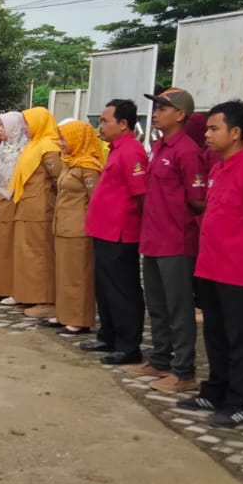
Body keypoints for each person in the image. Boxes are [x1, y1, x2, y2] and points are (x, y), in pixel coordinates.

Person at [177, 99, 243, 429]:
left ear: (235, 133)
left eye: (213, 128)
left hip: (239, 267)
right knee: (214, 333)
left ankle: (238, 401)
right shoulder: (218, 168)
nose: (206, 134)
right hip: (211, 265)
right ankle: (215, 390)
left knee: (238, 338)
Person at [130, 89, 207, 394]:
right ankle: (160, 359)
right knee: (158, 305)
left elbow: (198, 200)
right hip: (153, 238)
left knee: (179, 309)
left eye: (163, 108)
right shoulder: (159, 147)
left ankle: (184, 370)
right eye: (156, 107)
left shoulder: (187, 151)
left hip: (176, 241)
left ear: (180, 115)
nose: (157, 112)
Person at [83, 99, 149, 364]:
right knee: (105, 288)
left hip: (120, 233)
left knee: (122, 290)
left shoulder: (132, 151)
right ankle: (108, 335)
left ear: (124, 124)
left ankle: (128, 345)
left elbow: (142, 194)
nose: (101, 126)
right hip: (104, 230)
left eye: (106, 120)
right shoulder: (115, 149)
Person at [53, 120, 103, 335]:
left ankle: (79, 318)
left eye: (64, 138)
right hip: (63, 224)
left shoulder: (88, 166)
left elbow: (95, 200)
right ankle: (64, 313)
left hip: (78, 228)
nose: (61, 143)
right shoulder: (70, 162)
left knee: (78, 275)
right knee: (64, 272)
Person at [8, 107, 59, 318]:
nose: (25, 129)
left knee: (40, 255)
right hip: (27, 207)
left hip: (41, 209)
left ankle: (45, 300)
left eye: (29, 124)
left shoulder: (49, 146)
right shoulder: (34, 145)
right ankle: (29, 295)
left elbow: (58, 179)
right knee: (26, 254)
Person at [0, 112, 27, 301]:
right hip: (0, 199)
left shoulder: (23, 150)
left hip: (13, 202)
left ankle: (13, 289)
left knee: (10, 246)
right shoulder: (2, 148)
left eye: (3, 126)